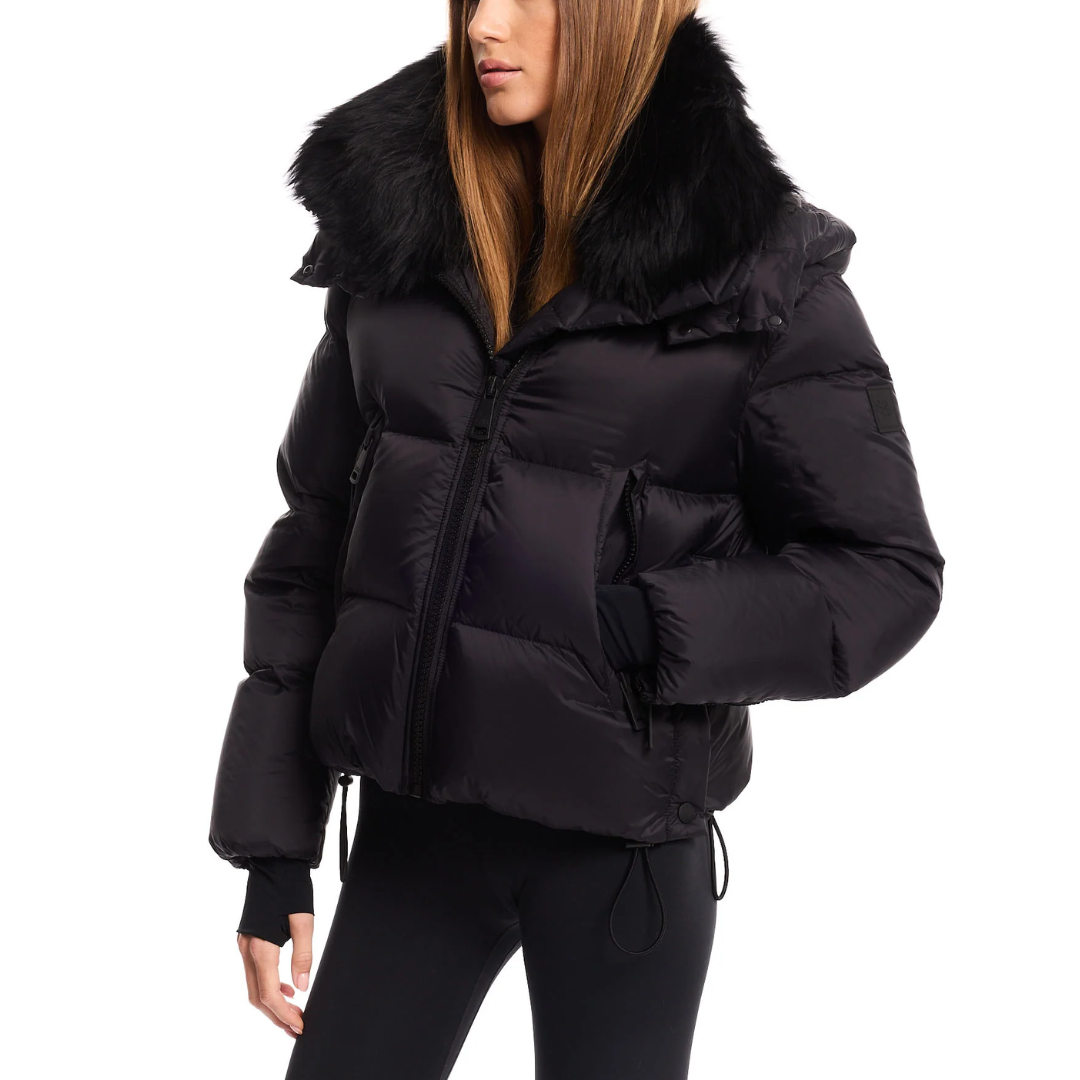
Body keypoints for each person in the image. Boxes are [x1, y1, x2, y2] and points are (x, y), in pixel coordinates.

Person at [208, 2, 946, 1077]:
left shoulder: (760, 274)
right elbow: (311, 544)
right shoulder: (400, 232)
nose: (484, 25)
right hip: (413, 836)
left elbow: (885, 572)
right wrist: (274, 845)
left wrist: (649, 625)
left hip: (620, 855)